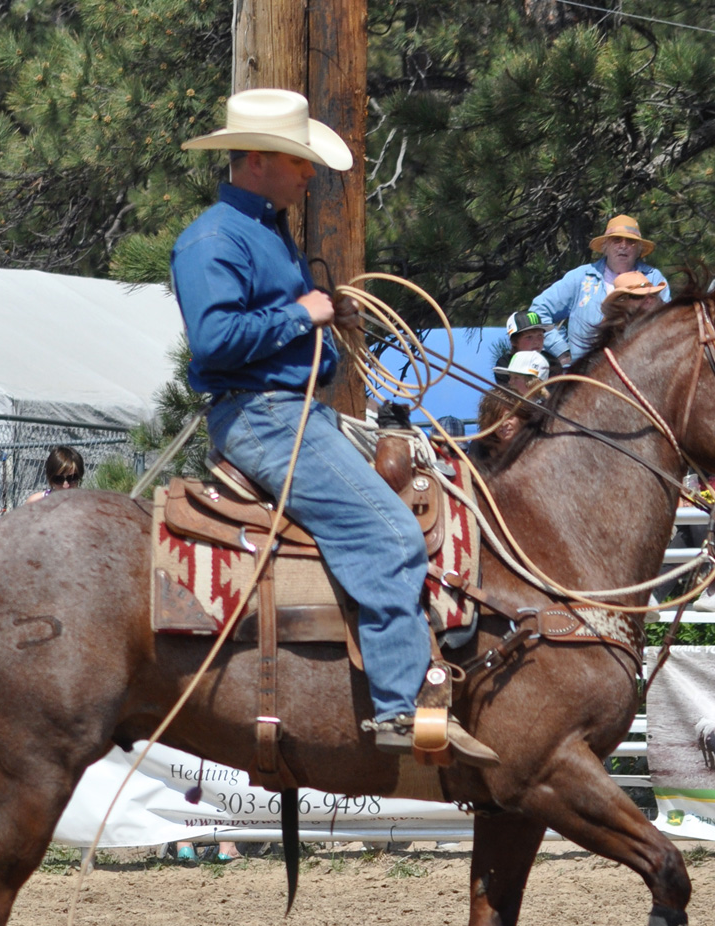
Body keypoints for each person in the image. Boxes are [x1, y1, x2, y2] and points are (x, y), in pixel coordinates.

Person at [170, 88, 495, 767]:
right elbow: (214, 340)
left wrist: (321, 315)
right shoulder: (213, 239)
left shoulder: (263, 232)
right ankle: (402, 705)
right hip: (262, 415)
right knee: (388, 531)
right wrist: (303, 315)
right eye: (297, 162)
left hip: (293, 410)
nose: (308, 174)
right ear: (258, 159)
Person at [529, 214, 671, 365]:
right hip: (585, 377)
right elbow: (538, 311)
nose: (623, 245)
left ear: (639, 250)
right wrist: (561, 350)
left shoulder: (654, 280)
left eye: (631, 241)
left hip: (638, 373)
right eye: (617, 240)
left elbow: (666, 324)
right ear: (605, 247)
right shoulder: (580, 278)